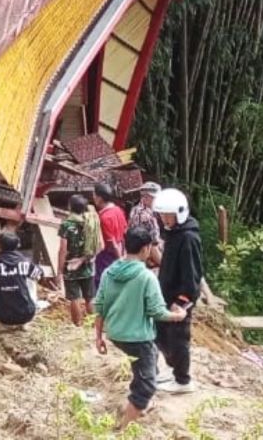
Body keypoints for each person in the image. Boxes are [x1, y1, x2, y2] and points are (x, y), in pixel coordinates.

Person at [93, 226, 187, 429]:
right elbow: (158, 312)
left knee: (150, 357)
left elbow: (99, 305)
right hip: (137, 337)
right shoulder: (146, 277)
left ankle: (140, 405)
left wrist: (99, 336)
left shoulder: (110, 272)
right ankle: (124, 427)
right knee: (147, 383)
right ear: (146, 249)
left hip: (116, 333)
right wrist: (179, 315)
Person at [153, 188, 203, 394]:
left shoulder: (188, 238)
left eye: (168, 215)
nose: (164, 219)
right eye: (162, 214)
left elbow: (192, 275)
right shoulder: (174, 234)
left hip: (178, 299)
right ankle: (175, 372)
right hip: (166, 295)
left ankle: (183, 380)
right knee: (162, 336)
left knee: (178, 338)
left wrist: (182, 301)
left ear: (180, 213)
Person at [0, 231, 44, 326]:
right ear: (18, 245)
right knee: (31, 276)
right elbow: (39, 276)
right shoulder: (25, 263)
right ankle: (31, 304)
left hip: (1, 316)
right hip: (26, 315)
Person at [57, 195, 97, 326]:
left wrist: (59, 269)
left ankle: (78, 325)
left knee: (74, 298)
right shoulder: (90, 222)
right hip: (87, 265)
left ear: (70, 207)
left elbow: (63, 249)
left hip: (71, 266)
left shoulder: (66, 225)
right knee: (89, 297)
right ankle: (93, 325)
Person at [94, 182, 127, 288]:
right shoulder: (118, 210)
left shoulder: (104, 218)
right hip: (120, 250)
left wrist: (120, 260)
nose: (93, 198)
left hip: (107, 256)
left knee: (103, 285)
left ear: (99, 198)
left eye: (94, 195)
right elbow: (124, 231)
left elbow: (111, 242)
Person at [129, 182, 163, 266]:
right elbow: (152, 245)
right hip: (147, 259)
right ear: (146, 197)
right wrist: (165, 266)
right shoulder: (146, 216)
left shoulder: (136, 209)